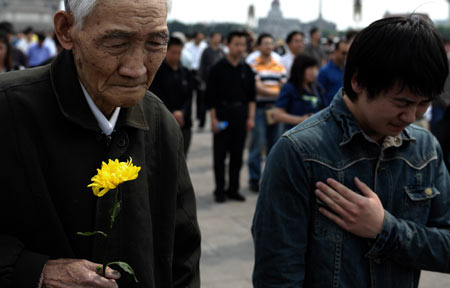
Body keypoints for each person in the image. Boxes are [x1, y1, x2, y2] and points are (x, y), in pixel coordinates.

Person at [0, 0, 201, 287]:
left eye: (155, 43)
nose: (136, 69)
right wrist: (35, 272)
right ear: (66, 30)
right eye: (117, 43)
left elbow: (183, 253)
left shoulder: (161, 123)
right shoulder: (8, 110)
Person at [252, 16, 450, 287]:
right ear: (358, 81)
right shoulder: (298, 152)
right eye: (401, 102)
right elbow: (277, 274)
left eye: (423, 104)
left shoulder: (425, 149)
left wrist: (386, 229)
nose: (411, 116)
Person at [206, 31, 256, 203]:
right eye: (236, 44)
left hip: (241, 116)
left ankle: (233, 189)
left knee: (237, 156)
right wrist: (213, 119)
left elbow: (251, 97)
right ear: (228, 44)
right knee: (220, 156)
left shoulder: (247, 70)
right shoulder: (217, 69)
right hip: (222, 116)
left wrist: (251, 118)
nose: (240, 48)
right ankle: (219, 189)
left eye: (243, 44)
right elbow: (210, 98)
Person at [247, 33, 286, 193]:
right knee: (257, 144)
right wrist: (276, 93)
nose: (269, 46)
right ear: (259, 46)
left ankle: (270, 177)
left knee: (274, 145)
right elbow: (257, 88)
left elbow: (284, 85)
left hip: (275, 110)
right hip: (259, 109)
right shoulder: (253, 64)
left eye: (271, 43)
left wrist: (272, 93)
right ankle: (254, 178)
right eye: (265, 43)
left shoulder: (279, 65)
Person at [149, 36, 194, 156]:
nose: (176, 56)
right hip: (164, 124)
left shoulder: (185, 72)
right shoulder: (157, 73)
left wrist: (182, 112)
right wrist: (171, 114)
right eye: (173, 52)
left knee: (182, 160)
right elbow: (156, 97)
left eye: (179, 53)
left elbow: (189, 97)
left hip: (184, 123)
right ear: (166, 51)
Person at [273, 53, 322, 131]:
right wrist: (301, 120)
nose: (314, 72)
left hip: (315, 132)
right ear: (300, 69)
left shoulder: (316, 87)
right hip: (295, 134)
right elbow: (277, 114)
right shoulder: (289, 87)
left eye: (315, 68)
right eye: (310, 68)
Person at [317, 40, 349, 107]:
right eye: (343, 53)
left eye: (348, 53)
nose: (346, 56)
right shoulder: (324, 71)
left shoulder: (349, 70)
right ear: (335, 52)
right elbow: (319, 93)